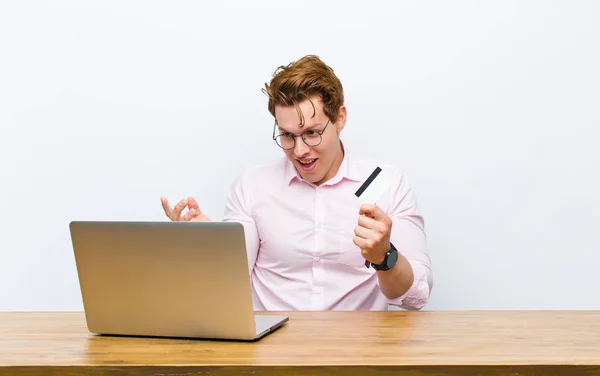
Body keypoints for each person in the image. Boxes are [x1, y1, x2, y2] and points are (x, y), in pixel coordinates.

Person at [161, 55, 432, 310]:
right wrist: (203, 242)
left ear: (339, 118)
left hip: (359, 353)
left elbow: (416, 296)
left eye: (312, 133)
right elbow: (227, 281)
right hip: (271, 354)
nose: (299, 150)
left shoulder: (387, 184)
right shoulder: (253, 186)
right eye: (287, 135)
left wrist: (385, 257)